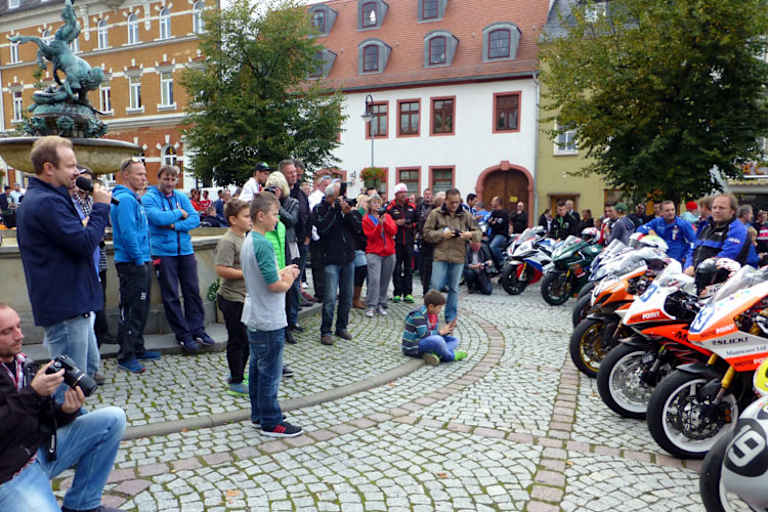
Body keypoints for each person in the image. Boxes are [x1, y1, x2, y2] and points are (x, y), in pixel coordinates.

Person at [0, 304, 126, 512]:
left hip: (38, 453)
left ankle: (82, 505)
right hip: (10, 473)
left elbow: (43, 419)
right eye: (7, 332)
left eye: (19, 327)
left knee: (113, 419)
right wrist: (33, 394)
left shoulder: (24, 364)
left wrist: (67, 411)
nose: (19, 335)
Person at [16, 136, 109, 400]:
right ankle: (63, 437)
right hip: (66, 306)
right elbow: (83, 244)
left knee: (86, 373)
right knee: (68, 387)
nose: (76, 172)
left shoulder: (51, 198)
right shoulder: (46, 202)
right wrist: (100, 207)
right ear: (49, 168)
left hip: (73, 304)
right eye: (70, 166)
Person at [240, 193, 302, 437]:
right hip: (267, 317)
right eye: (275, 214)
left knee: (257, 368)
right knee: (270, 373)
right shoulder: (263, 243)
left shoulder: (250, 239)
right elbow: (274, 285)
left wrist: (282, 270)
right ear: (261, 215)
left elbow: (263, 273)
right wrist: (289, 278)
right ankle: (271, 421)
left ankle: (259, 414)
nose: (278, 219)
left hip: (255, 313)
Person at [143, 165, 215, 353]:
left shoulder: (181, 197)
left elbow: (195, 219)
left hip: (185, 250)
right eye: (166, 179)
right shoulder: (149, 198)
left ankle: (197, 330)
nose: (169, 183)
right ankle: (182, 334)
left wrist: (174, 225)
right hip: (163, 252)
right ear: (159, 178)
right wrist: (179, 214)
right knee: (171, 295)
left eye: (173, 179)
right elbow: (157, 219)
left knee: (192, 290)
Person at [111, 158, 159, 374]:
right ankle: (126, 355)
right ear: (126, 176)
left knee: (141, 307)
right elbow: (129, 234)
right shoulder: (126, 201)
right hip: (132, 263)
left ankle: (137, 347)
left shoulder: (133, 199)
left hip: (141, 260)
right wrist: (140, 260)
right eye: (139, 174)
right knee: (132, 309)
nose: (143, 178)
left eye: (144, 174)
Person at [423, 188, 481, 323]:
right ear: (446, 201)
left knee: (454, 289)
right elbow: (426, 233)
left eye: (457, 202)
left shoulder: (465, 214)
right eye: (451, 203)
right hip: (440, 256)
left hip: (458, 256)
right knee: (435, 287)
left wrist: (470, 235)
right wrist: (441, 234)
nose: (454, 205)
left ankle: (451, 317)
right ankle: (430, 316)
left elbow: (478, 231)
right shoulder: (436, 213)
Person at [313, 182, 362, 345]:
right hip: (330, 259)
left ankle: (341, 327)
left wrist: (347, 214)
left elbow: (358, 230)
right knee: (330, 298)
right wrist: (335, 210)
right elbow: (322, 229)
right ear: (330, 197)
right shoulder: (320, 209)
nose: (342, 199)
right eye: (338, 196)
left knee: (347, 297)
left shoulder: (347, 209)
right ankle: (325, 331)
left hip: (348, 258)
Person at [215, 199, 251, 397]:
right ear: (233, 220)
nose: (250, 219)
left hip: (243, 298)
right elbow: (222, 269)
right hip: (231, 299)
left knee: (245, 340)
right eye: (246, 216)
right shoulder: (228, 241)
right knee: (238, 340)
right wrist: (247, 273)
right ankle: (236, 380)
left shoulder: (245, 237)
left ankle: (237, 373)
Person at [265, 171, 300, 345]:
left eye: (276, 188)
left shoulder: (292, 202)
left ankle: (290, 324)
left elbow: (292, 220)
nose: (273, 191)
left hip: (289, 244)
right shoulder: (266, 205)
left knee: (291, 289)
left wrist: (278, 204)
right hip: (273, 246)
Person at [685, 193, 750, 275]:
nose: (717, 210)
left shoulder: (737, 229)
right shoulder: (706, 226)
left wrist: (697, 270)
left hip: (723, 282)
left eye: (721, 208)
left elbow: (726, 257)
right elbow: (692, 249)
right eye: (714, 207)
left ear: (732, 211)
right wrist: (688, 267)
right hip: (697, 277)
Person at [401, 290, 468, 366]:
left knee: (454, 340)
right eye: (439, 308)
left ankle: (435, 354)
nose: (440, 310)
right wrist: (440, 332)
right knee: (438, 340)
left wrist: (447, 331)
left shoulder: (433, 314)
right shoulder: (418, 314)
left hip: (426, 341)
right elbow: (424, 335)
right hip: (413, 347)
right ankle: (451, 356)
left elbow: (433, 333)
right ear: (431, 306)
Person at [362, 194, 396, 317]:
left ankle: (381, 304)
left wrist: (385, 223)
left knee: (385, 280)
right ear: (370, 205)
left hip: (389, 252)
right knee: (374, 280)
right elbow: (371, 236)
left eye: (378, 203)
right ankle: (371, 305)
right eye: (374, 203)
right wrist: (379, 225)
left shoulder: (387, 216)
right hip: (374, 253)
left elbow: (393, 231)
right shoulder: (366, 219)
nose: (376, 205)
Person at [635, 200, 696, 264]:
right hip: (659, 258)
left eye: (672, 210)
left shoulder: (683, 224)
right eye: (667, 210)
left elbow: (693, 242)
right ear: (661, 212)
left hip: (676, 260)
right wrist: (649, 231)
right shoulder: (657, 222)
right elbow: (640, 229)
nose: (671, 212)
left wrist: (686, 257)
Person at [386, 183, 418, 303]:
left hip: (409, 241)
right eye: (401, 193)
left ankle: (408, 293)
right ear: (396, 194)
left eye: (405, 192)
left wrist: (411, 224)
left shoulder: (412, 206)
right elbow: (386, 222)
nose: (404, 194)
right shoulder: (390, 207)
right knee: (397, 268)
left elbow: (418, 222)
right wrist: (396, 223)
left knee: (409, 268)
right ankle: (397, 293)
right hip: (396, 242)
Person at [287, 160, 312, 307]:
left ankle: (298, 300)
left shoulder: (301, 194)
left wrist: (308, 236)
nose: (296, 176)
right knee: (293, 275)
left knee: (299, 275)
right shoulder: (287, 193)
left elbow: (308, 215)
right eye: (294, 173)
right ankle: (295, 305)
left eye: (298, 174)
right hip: (291, 240)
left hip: (303, 240)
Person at [308, 175, 333, 302]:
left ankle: (328, 290)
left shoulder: (329, 198)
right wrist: (316, 236)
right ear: (320, 185)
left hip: (328, 237)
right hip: (317, 237)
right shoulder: (314, 198)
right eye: (326, 185)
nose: (328, 188)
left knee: (327, 265)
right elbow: (312, 219)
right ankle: (320, 292)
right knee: (318, 265)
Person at [352, 194, 369, 310]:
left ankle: (356, 297)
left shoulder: (369, 216)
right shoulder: (356, 214)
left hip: (365, 247)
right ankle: (355, 298)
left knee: (361, 272)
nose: (367, 204)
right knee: (361, 269)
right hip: (357, 247)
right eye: (365, 202)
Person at [487, 196, 510, 270]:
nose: (491, 203)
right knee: (485, 246)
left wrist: (493, 223)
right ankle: (492, 266)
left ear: (497, 202)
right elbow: (489, 223)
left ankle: (502, 262)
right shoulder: (493, 213)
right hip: (493, 235)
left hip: (501, 235)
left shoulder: (504, 213)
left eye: (493, 201)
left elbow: (499, 225)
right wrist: (493, 223)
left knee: (492, 246)